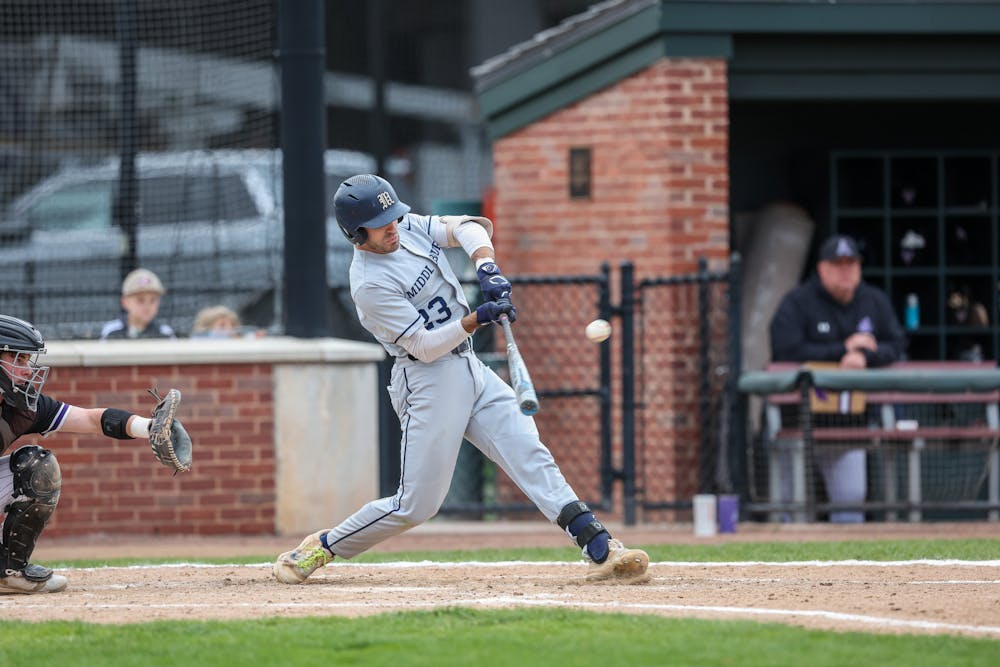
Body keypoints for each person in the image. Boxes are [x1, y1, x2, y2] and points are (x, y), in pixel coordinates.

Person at [273, 174, 649, 584]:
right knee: (415, 506)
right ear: (356, 233)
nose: (393, 228)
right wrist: (475, 319)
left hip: (469, 366)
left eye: (393, 217)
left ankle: (598, 544)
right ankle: (324, 546)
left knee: (528, 449)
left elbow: (469, 227)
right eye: (382, 225)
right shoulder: (369, 284)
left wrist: (487, 268)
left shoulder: (409, 227)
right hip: (427, 381)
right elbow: (423, 346)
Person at [0, 314, 175, 593]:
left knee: (38, 467)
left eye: (26, 361)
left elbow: (91, 420)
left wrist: (149, 427)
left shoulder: (23, 406)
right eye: (17, 360)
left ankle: (9, 572)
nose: (26, 370)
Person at [769, 234, 907, 522]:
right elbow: (785, 348)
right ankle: (783, 566)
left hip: (847, 425)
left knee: (850, 503)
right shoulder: (798, 302)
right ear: (822, 268)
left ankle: (842, 568)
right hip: (799, 423)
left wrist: (864, 357)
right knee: (788, 508)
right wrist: (842, 350)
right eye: (837, 264)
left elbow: (897, 344)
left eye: (851, 263)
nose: (845, 270)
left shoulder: (874, 301)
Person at [100, 268, 176, 340]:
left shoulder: (165, 333)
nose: (147, 306)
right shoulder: (111, 331)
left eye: (153, 300)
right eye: (140, 300)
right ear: (125, 302)